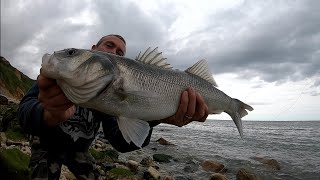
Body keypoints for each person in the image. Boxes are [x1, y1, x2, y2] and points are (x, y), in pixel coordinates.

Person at [18, 34, 209, 180]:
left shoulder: (109, 92)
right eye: (109, 45)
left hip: (79, 150)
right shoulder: (58, 80)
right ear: (94, 48)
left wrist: (156, 117)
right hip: (47, 145)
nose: (113, 52)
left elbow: (122, 143)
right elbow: (23, 113)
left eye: (120, 53)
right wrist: (49, 115)